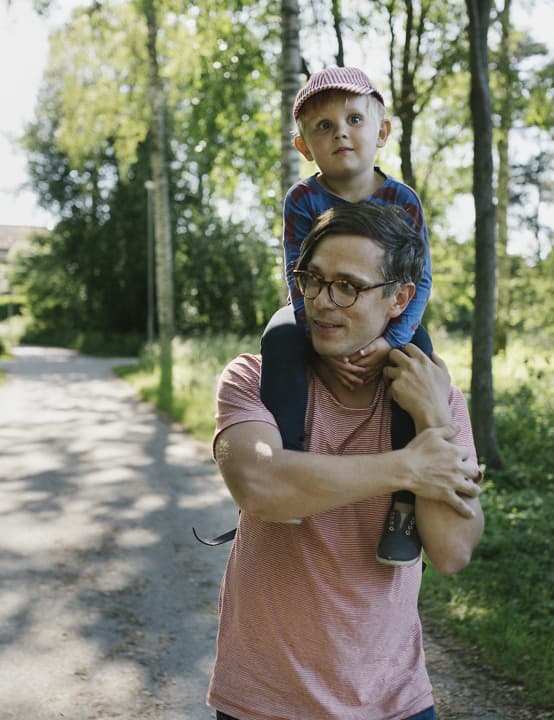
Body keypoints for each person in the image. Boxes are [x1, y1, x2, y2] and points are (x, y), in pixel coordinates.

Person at [207, 202, 484, 720]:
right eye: (312, 280)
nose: (322, 302)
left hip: (394, 702)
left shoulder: (437, 399)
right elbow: (260, 486)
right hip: (263, 702)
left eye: (348, 286)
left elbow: (451, 552)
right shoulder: (253, 378)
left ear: (400, 298)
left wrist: (431, 420)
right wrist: (410, 467)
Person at [260, 65, 435, 566]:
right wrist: (316, 335)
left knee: (418, 356)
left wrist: (392, 338)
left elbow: (418, 279)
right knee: (278, 337)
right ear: (303, 147)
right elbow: (298, 273)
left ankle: (406, 503)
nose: (340, 132)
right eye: (323, 125)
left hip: (389, 317)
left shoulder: (402, 200)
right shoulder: (302, 199)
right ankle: (288, 462)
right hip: (319, 310)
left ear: (380, 133)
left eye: (354, 119)